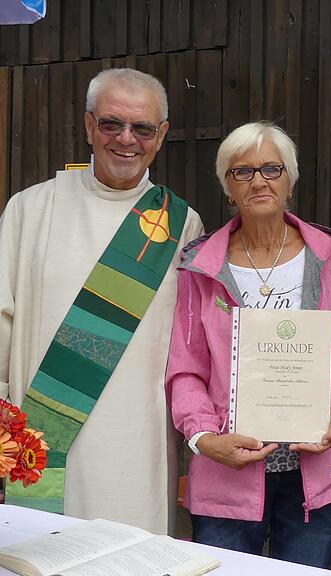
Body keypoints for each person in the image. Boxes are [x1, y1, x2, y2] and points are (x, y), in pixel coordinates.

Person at [0, 68, 204, 533]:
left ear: (161, 135)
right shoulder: (30, 209)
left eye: (142, 128)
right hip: (44, 434)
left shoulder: (180, 223)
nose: (125, 139)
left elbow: (191, 342)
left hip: (138, 440)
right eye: (111, 124)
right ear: (89, 126)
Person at [165, 122, 331, 568]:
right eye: (242, 172)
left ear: (290, 181)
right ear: (228, 186)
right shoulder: (200, 265)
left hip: (311, 471)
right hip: (229, 469)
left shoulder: (326, 253)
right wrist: (203, 438)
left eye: (271, 169)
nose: (258, 181)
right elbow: (185, 368)